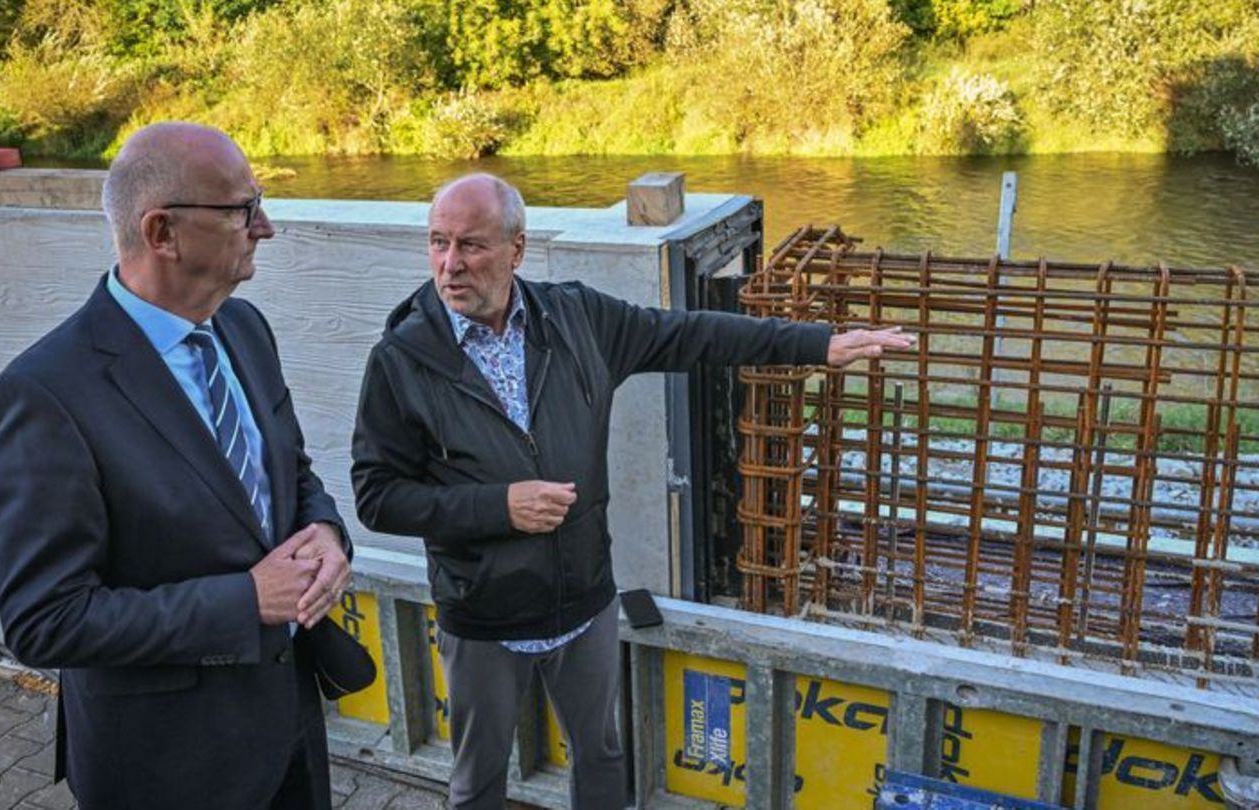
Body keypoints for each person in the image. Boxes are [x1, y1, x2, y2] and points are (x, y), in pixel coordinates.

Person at [350, 173, 910, 809]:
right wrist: (498, 507)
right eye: (438, 243)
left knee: (602, 756)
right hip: (482, 616)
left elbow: (693, 335)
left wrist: (817, 344)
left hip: (584, 599)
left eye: (472, 246)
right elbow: (376, 496)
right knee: (478, 779)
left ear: (517, 249)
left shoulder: (578, 318)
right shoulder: (399, 360)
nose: (450, 265)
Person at [0, 122, 353, 810]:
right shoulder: (44, 394)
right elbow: (45, 619)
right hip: (166, 766)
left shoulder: (244, 328)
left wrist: (327, 533)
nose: (264, 226)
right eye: (244, 210)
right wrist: (244, 601)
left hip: (287, 729)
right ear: (162, 233)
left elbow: (291, 474)